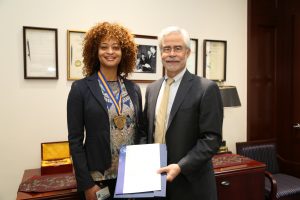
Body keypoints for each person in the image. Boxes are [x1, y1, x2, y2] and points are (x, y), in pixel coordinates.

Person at [67, 22, 145, 200]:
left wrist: (141, 171)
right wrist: (86, 183)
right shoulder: (80, 89)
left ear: (123, 52)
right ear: (95, 51)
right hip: (98, 179)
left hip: (130, 178)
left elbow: (140, 132)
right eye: (104, 47)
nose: (110, 51)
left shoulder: (133, 89)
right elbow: (75, 140)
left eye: (116, 47)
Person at [143, 26, 223, 200]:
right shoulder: (152, 89)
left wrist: (180, 167)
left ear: (187, 52)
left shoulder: (206, 88)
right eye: (166, 49)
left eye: (178, 48)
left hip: (191, 185)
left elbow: (212, 139)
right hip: (156, 181)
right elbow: (145, 132)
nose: (172, 54)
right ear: (161, 53)